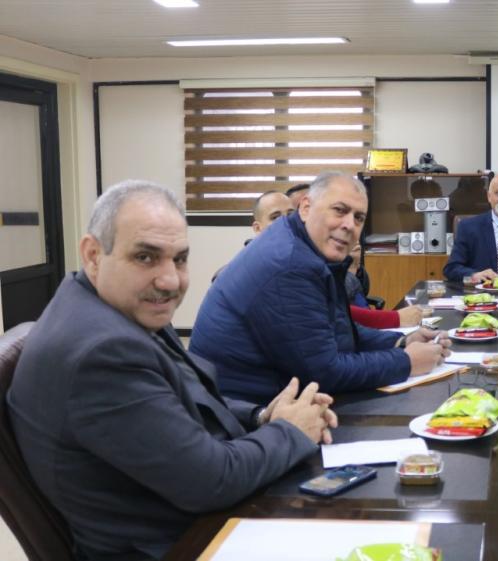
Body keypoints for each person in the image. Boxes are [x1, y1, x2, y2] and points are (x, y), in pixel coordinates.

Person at [7, 180, 336, 560]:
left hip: (198, 523)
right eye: (145, 257)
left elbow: (184, 394)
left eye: (179, 259)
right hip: (177, 545)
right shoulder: (101, 353)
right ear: (93, 254)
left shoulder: (115, 307)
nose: (170, 280)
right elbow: (212, 481)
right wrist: (291, 431)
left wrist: (263, 416)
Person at [190, 171, 450, 404]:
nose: (349, 225)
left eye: (358, 217)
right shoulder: (290, 263)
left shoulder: (301, 244)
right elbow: (323, 373)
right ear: (305, 208)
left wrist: (401, 341)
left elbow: (335, 330)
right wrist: (406, 361)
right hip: (241, 416)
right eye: (339, 210)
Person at [345, 242, 423, 329]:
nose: (356, 242)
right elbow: (346, 314)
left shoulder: (357, 275)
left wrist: (354, 266)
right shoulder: (336, 280)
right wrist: (397, 318)